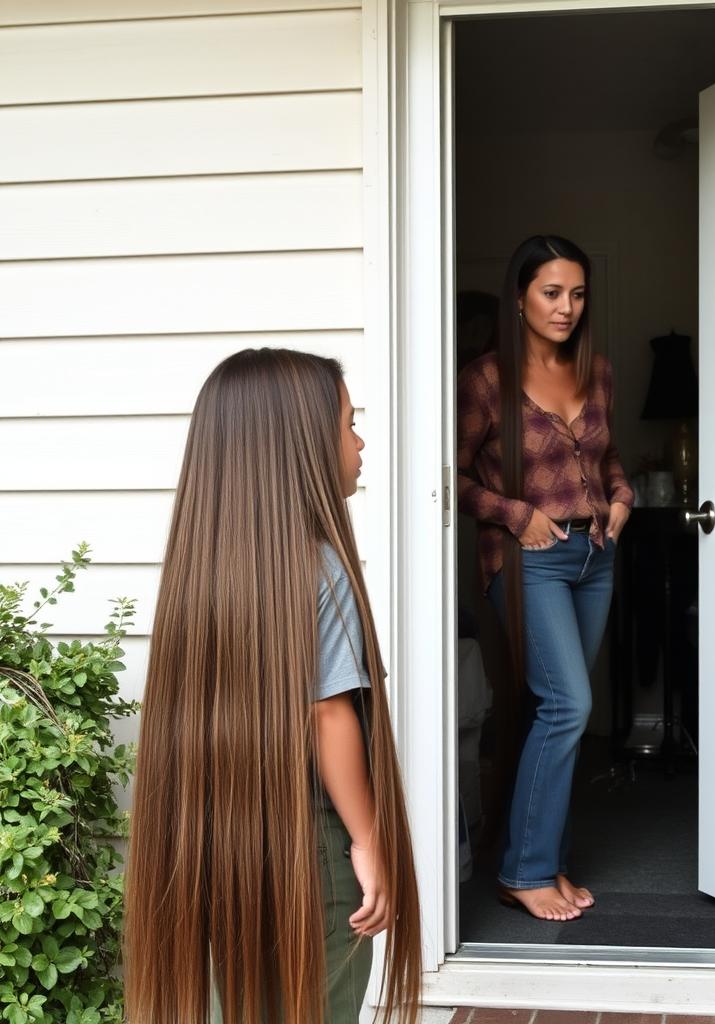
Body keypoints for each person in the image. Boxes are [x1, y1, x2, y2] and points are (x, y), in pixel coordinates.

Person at [123, 349, 422, 1024]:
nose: (360, 441)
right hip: (311, 851)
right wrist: (370, 843)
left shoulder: (203, 574)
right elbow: (326, 712)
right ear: (301, 445)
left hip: (227, 844)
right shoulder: (320, 567)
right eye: (349, 423)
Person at [457, 235, 634, 922]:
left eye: (578, 293)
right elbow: (454, 477)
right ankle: (522, 870)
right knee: (570, 707)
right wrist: (514, 512)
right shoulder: (484, 380)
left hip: (596, 558)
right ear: (521, 298)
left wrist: (622, 499)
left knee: (552, 708)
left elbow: (608, 456)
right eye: (552, 292)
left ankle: (548, 858)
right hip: (528, 560)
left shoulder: (599, 372)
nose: (567, 307)